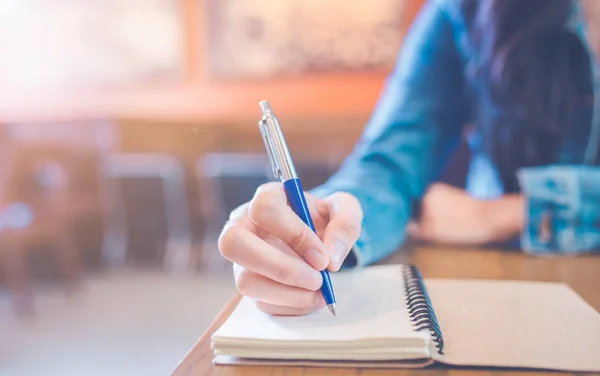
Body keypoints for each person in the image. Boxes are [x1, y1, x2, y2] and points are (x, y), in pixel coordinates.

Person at [219, 0, 600, 316]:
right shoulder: (464, 10)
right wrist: (331, 219)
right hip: (505, 290)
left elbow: (491, 213)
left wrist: (513, 211)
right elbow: (392, 166)